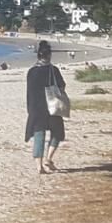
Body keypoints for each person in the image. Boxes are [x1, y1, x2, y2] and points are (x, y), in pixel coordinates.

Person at [25, 40, 68, 174]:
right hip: (52, 105)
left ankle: (39, 166)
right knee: (57, 133)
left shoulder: (32, 71)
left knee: (39, 135)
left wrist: (30, 109)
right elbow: (62, 86)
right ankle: (48, 159)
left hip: (36, 107)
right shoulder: (53, 70)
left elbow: (29, 91)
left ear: (38, 56)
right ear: (49, 55)